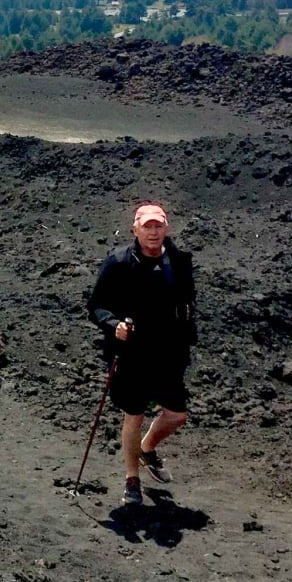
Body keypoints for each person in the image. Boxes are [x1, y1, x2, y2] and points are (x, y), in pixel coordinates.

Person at [87, 202, 197, 507]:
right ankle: (131, 478)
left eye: (158, 226)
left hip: (167, 352)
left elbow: (187, 302)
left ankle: (147, 448)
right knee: (133, 414)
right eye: (147, 226)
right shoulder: (119, 261)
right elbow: (95, 306)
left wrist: (186, 335)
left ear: (166, 228)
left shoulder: (178, 260)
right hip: (131, 352)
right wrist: (113, 325)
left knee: (177, 414)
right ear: (135, 228)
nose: (153, 232)